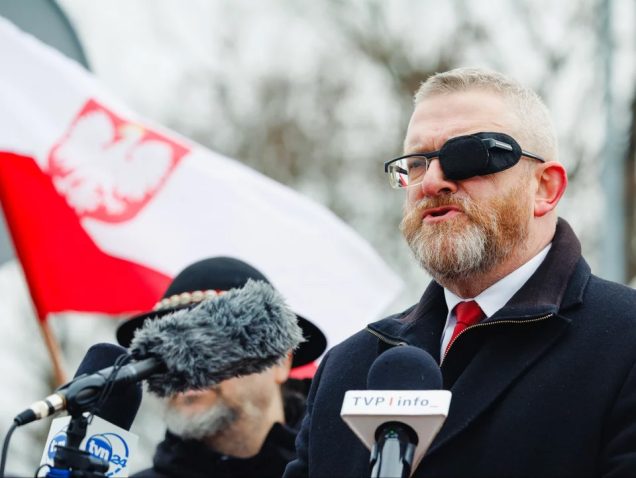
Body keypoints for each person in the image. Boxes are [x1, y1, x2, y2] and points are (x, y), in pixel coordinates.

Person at [284, 67, 636, 478]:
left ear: (545, 188)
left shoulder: (624, 344)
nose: (431, 182)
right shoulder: (346, 369)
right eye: (415, 164)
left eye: (470, 156)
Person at [116, 256, 327, 478]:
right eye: (165, 349)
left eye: (211, 345)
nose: (184, 366)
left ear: (281, 361)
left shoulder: (339, 465)